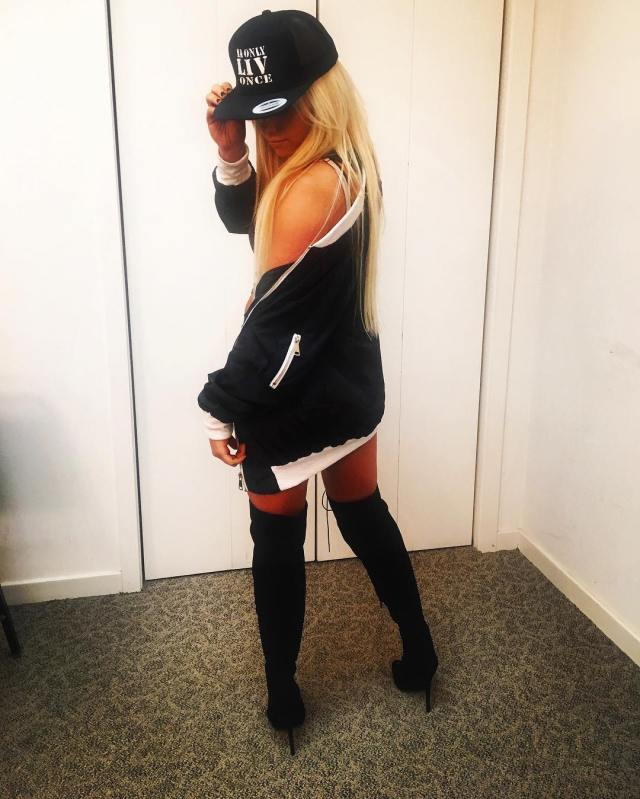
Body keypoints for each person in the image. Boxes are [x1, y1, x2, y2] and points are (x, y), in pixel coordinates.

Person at [198, 9, 438, 756]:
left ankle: (282, 695)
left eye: (282, 110)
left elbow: (273, 334)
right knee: (362, 513)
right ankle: (421, 649)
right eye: (256, 111)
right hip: (345, 378)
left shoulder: (310, 188)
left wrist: (220, 412)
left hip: (291, 386)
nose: (269, 127)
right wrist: (233, 156)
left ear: (322, 94)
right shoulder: (339, 163)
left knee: (276, 536)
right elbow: (252, 225)